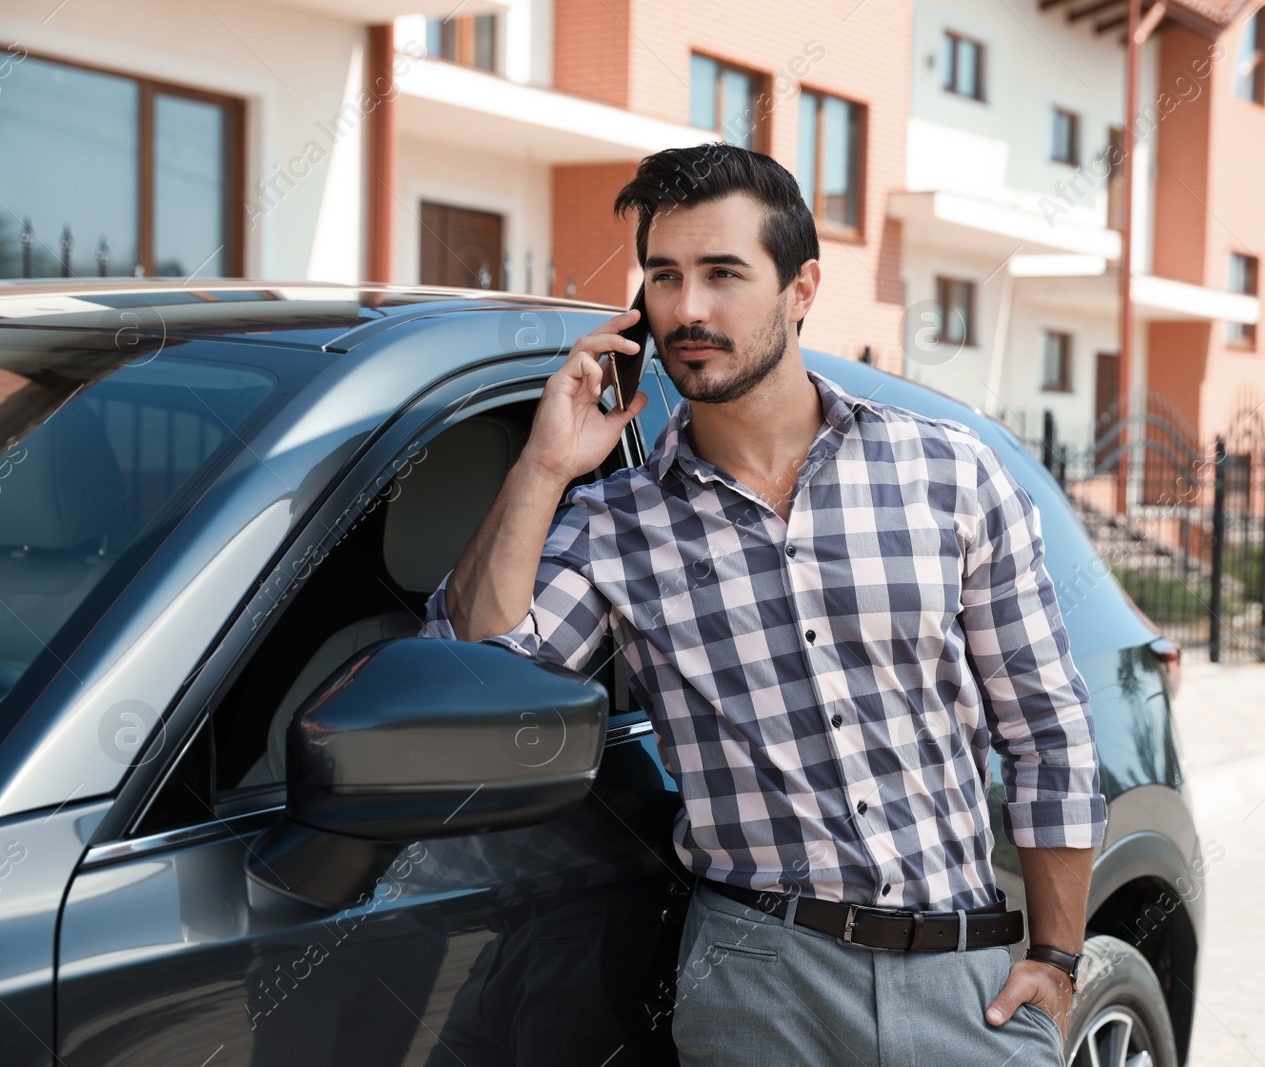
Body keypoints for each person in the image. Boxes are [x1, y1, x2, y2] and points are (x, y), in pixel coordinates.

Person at [420, 142, 1107, 1066]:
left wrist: (1058, 956)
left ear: (802, 286)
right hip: (756, 984)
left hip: (964, 976)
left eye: (723, 274)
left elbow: (1046, 726)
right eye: (664, 276)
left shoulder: (946, 472)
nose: (688, 309)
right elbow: (479, 664)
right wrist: (545, 465)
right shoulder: (617, 521)